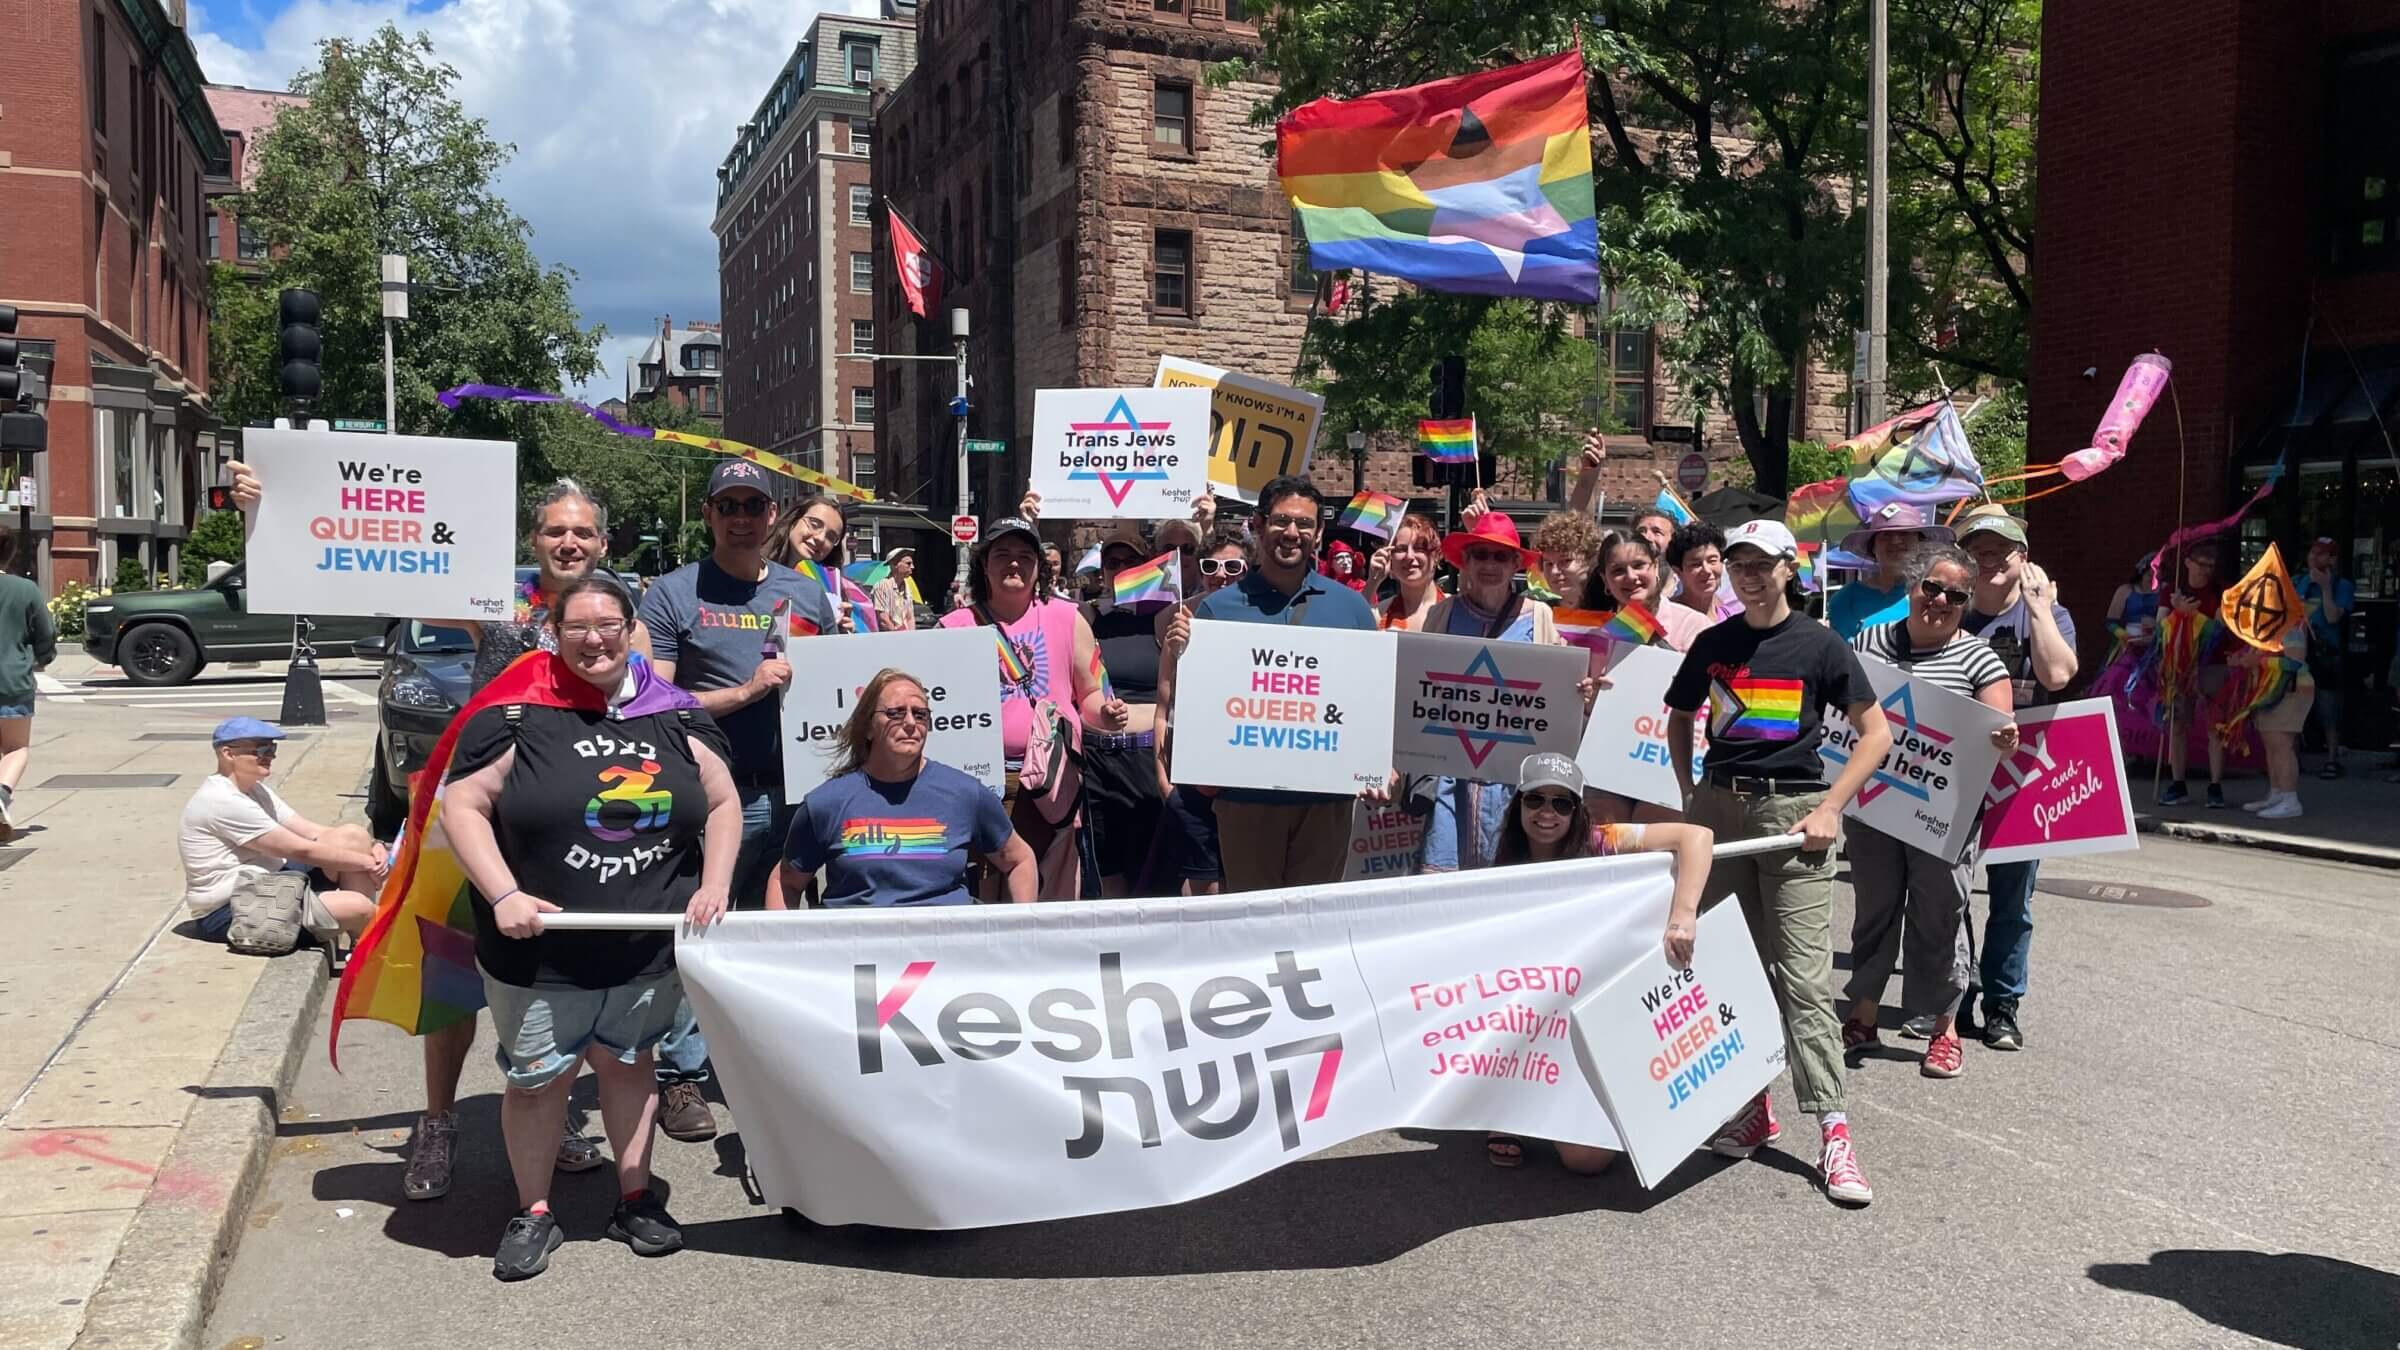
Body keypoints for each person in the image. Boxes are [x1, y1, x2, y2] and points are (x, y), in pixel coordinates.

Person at [227, 468, 638, 1196]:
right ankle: (440, 1123)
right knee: (452, 978)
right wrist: (274, 507)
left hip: (564, 829)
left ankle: (550, 1112)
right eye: (555, 529)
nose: (568, 541)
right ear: (533, 539)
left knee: (556, 980)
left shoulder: (613, 615)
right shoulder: (493, 599)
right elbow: (365, 564)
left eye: (582, 531)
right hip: (476, 818)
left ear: (603, 542)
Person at [437, 576, 740, 1280]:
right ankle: (535, 1211)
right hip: (541, 952)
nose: (595, 639)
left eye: (609, 624)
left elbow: (723, 800)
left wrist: (717, 883)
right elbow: (463, 805)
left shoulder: (677, 715)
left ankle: (634, 1196)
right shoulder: (514, 715)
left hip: (644, 946)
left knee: (631, 1064)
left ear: (632, 629)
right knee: (539, 1081)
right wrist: (503, 891)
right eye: (577, 627)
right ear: (555, 632)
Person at [1665, 519, 1893, 1207]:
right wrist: (1688, 793)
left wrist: (1830, 808)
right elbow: (1679, 714)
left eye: (1763, 564)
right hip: (1719, 814)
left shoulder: (1821, 645)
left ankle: (1833, 1129)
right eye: (1739, 563)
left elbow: (1875, 734)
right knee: (1733, 965)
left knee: (1802, 978)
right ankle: (1751, 1109)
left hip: (1791, 818)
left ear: (1791, 568)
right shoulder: (1713, 643)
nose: (1749, 575)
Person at [635, 458, 837, 1140]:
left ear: (771, 516)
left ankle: (758, 1061)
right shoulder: (672, 592)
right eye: (730, 506)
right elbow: (654, 701)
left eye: (754, 505)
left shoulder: (806, 594)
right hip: (714, 797)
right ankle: (680, 1076)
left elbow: (835, 685)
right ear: (711, 516)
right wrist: (748, 691)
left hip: (798, 793)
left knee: (769, 933)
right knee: (704, 928)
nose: (743, 517)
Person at [1483, 753, 1714, 1172]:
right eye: (1535, 800)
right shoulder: (1502, 858)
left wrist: (1683, 915)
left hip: (1584, 1005)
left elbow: (1696, 837)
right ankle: (1505, 1105)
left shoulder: (1599, 840)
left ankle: (1556, 1101)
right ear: (1518, 803)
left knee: (1587, 1162)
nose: (1547, 813)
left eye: (1561, 803)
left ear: (1577, 810)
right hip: (1523, 1011)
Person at [1841, 546, 2018, 1081]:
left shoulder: (1980, 659)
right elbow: (1836, 705)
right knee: (1875, 908)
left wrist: (2004, 738)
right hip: (1872, 802)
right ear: (1913, 588)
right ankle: (1863, 1015)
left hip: (1944, 812)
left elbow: (1998, 725)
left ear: (1967, 604)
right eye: (1932, 588)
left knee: (1940, 912)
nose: (1940, 601)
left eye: (1956, 595)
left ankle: (1943, 1029)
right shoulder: (1867, 643)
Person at [1164, 475, 1388, 891]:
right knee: (1253, 926)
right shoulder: (1218, 609)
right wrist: (1183, 656)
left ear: (1319, 532)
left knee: (1314, 926)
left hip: (1327, 803)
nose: (1292, 533)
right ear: (1259, 523)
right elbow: (1199, 706)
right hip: (1245, 803)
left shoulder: (1352, 608)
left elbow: (1368, 701)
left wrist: (1377, 760)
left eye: (1304, 524)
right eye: (1281, 521)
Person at [936, 515, 1124, 898]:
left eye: (1025, 555)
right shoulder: (953, 627)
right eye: (1002, 554)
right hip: (979, 784)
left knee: (1051, 888)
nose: (1014, 563)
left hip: (1050, 779)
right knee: (985, 889)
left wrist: (1103, 713)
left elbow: (1090, 692)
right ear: (984, 564)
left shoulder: (1067, 618)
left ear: (1039, 567)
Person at [1955, 505, 2078, 1050]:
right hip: (1958, 771)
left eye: (1999, 551)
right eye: (1976, 551)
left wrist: (2040, 609)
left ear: (2022, 559)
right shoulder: (1947, 612)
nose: (1988, 562)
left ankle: (2002, 1003)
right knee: (1947, 893)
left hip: (2022, 775)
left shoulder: (2048, 614)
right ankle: (1958, 989)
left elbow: (2057, 675)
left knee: (2012, 897)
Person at [774, 668, 1038, 907]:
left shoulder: (966, 793)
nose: (911, 723)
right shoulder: (826, 802)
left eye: (920, 714)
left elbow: (1019, 860)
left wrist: (1022, 932)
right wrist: (784, 951)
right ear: (867, 727)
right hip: (858, 952)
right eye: (895, 713)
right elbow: (785, 881)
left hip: (946, 952)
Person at [1417, 512, 1572, 874]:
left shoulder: (1539, 617)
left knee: (1509, 882)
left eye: (1500, 556)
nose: (1490, 564)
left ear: (1516, 563)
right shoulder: (1443, 615)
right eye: (1481, 555)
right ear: (1466, 562)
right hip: (1450, 778)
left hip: (1513, 777)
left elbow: (1556, 693)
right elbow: (1421, 689)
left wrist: (1579, 689)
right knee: (1446, 889)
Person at [179, 717, 384, 943]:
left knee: (353, 836)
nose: (270, 756)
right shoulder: (222, 800)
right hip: (231, 907)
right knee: (357, 907)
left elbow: (314, 832)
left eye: (272, 749)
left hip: (272, 882)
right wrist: (369, 863)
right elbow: (300, 850)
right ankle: (373, 952)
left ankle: (364, 944)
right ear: (228, 754)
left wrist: (373, 848)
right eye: (261, 749)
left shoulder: (255, 790)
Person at [1155, 527, 1251, 896]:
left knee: (1239, 884)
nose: (1220, 574)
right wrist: (1164, 781)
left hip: (1245, 772)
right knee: (1200, 889)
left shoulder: (1263, 621)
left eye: (1233, 566)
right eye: (1211, 565)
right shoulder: (1180, 619)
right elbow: (1164, 706)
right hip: (1192, 778)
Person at [1082, 523, 1174, 896]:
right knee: (1109, 873)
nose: (1119, 568)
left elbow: (1208, 598)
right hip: (1098, 762)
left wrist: (1203, 524)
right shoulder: (1087, 616)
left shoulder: (1163, 615)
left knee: (1154, 874)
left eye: (1130, 561)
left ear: (1147, 566)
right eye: (1112, 562)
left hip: (1147, 760)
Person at [2154, 540, 2230, 808]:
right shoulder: (2171, 591)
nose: (2206, 570)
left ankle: (2215, 786)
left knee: (2215, 728)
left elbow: (2217, 631)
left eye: (2210, 565)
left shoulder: (2221, 593)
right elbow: (2160, 629)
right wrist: (2177, 612)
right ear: (2187, 563)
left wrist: (2191, 614)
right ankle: (2177, 784)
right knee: (2177, 725)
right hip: (2179, 669)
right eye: (2201, 564)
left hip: (2213, 666)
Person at [1826, 501, 1955, 639]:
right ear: (1873, 547)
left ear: (1920, 544)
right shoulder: (1845, 599)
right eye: (1886, 535)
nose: (1895, 541)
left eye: (1905, 534)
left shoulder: (1937, 596)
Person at [0, 524, 54, 842]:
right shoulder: (24, 591)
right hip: (11, 679)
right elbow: (44, 635)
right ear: (10, 553)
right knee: (17, 747)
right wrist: (43, 657)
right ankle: (2, 795)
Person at [1581, 529, 1713, 652]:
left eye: (1638, 565)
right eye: (1618, 571)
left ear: (1655, 567)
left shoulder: (1693, 625)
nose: (1631, 576)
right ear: (1605, 580)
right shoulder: (1595, 637)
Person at [2235, 619, 2315, 820]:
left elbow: (2295, 662)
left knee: (2282, 745)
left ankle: (2290, 799)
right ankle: (2277, 793)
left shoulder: (2292, 626)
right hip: (2271, 692)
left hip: (2291, 690)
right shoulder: (2268, 626)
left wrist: (2259, 662)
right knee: (2271, 744)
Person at [769, 491, 878, 634]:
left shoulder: (845, 592)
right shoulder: (755, 571)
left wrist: (843, 634)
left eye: (831, 537)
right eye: (814, 525)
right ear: (794, 521)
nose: (820, 538)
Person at [2297, 537, 2351, 779]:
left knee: (2327, 706)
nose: (2315, 557)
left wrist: (2326, 587)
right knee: (2296, 705)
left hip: (2326, 652)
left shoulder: (2342, 585)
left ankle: (2332, 758)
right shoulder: (2299, 581)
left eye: (2322, 554)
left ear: (2332, 560)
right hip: (2299, 649)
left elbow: (2332, 617)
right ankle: (2293, 757)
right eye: (2313, 552)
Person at [1363, 512, 1447, 632]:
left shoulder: (1453, 610)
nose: (1409, 556)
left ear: (1437, 556)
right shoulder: (1381, 613)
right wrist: (1373, 580)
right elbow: (1354, 624)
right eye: (1401, 549)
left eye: (1419, 548)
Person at [1531, 511, 1605, 604]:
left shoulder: (1616, 610)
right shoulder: (1537, 611)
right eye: (1549, 564)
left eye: (1565, 561)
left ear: (1590, 559)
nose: (1554, 571)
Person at [1665, 520, 1728, 623]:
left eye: (1712, 561)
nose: (1706, 570)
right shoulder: (1660, 613)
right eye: (1695, 564)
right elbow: (1629, 637)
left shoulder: (1731, 618)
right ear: (1678, 571)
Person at [874, 547, 922, 633]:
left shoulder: (907, 587)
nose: (913, 567)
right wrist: (897, 637)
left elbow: (910, 617)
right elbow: (883, 619)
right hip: (888, 639)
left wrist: (911, 636)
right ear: (895, 564)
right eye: (908, 563)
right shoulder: (882, 586)